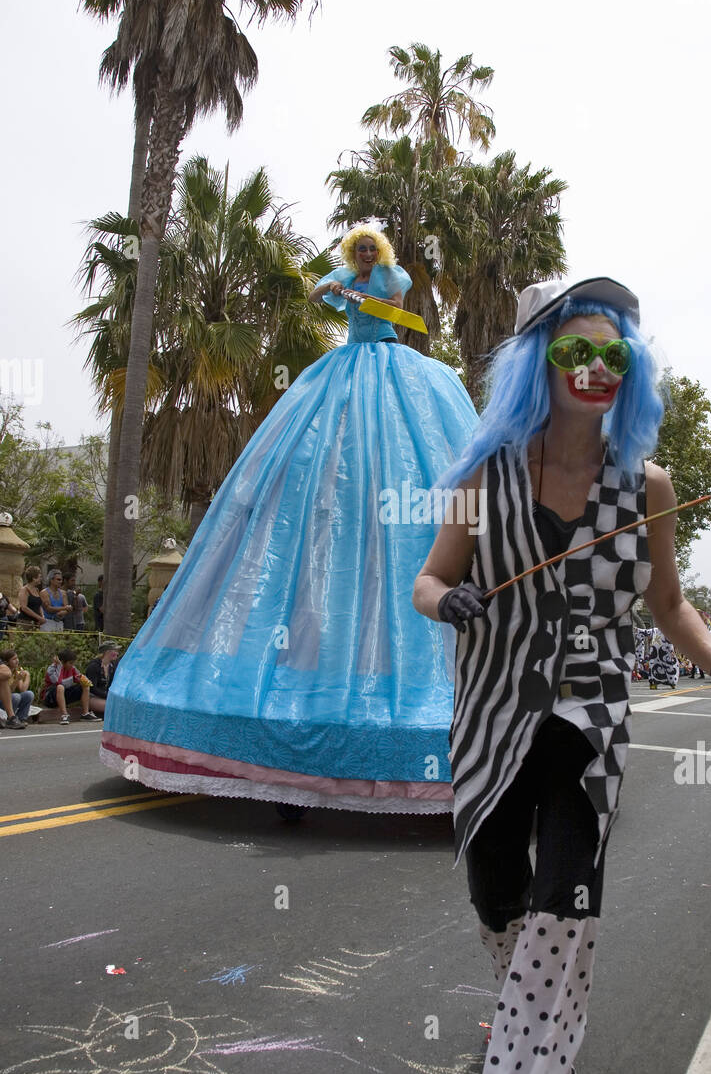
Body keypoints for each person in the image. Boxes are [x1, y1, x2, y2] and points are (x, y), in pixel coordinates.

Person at [413, 275, 711, 1074]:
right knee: (499, 898)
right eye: (573, 351)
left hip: (587, 727)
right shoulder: (484, 477)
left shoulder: (650, 487)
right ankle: (523, 1023)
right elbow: (426, 579)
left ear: (633, 370)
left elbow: (668, 606)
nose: (595, 368)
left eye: (613, 354)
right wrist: (452, 603)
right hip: (491, 725)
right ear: (535, 367)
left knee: (566, 913)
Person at [99, 225, 477, 810]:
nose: (368, 255)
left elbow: (397, 315)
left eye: (373, 248)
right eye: (360, 250)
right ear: (353, 252)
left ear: (384, 252)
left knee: (404, 496)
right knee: (312, 484)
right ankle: (287, 748)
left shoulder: (392, 280)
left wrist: (362, 298)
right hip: (341, 371)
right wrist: (333, 290)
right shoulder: (344, 277)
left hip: (393, 370)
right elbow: (315, 295)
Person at [41, 649, 97, 724]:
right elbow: (58, 682)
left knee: (85, 685)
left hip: (64, 695)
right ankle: (64, 715)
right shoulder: (52, 669)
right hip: (51, 698)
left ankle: (85, 714)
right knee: (60, 687)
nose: (72, 665)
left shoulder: (72, 668)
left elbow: (79, 677)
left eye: (73, 663)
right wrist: (59, 666)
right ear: (62, 662)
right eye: (70, 663)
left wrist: (84, 680)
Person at [0, 649, 34, 728]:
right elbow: (8, 690)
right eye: (14, 659)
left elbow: (23, 689)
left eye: (17, 658)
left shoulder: (16, 671)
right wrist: (17, 680)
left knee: (29, 694)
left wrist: (27, 676)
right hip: (2, 701)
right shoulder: (3, 672)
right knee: (16, 696)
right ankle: (8, 718)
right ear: (6, 662)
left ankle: (21, 718)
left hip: (11, 699)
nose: (17, 661)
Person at [84, 642, 120, 718]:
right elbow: (92, 688)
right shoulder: (94, 666)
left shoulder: (111, 666)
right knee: (114, 707)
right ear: (107, 652)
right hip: (93, 697)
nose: (117, 653)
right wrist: (107, 695)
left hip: (105, 696)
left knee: (121, 704)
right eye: (115, 651)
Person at [17, 566, 46, 630]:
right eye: (40, 577)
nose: (41, 578)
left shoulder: (37, 590)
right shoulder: (24, 590)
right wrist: (39, 618)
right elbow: (24, 607)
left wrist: (42, 616)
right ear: (34, 578)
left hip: (36, 623)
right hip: (25, 622)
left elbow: (39, 605)